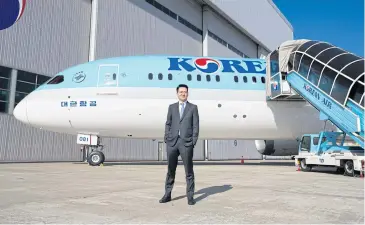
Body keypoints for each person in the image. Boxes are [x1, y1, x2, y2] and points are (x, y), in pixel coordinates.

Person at [159, 84, 200, 205]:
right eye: (181, 92)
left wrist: (193, 141)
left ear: (187, 93)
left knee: (189, 171)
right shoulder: (171, 107)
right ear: (177, 93)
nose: (183, 93)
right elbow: (168, 123)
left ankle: (190, 196)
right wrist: (167, 137)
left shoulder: (193, 108)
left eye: (185, 92)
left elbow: (196, 126)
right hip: (172, 143)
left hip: (186, 143)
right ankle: (167, 194)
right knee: (171, 170)